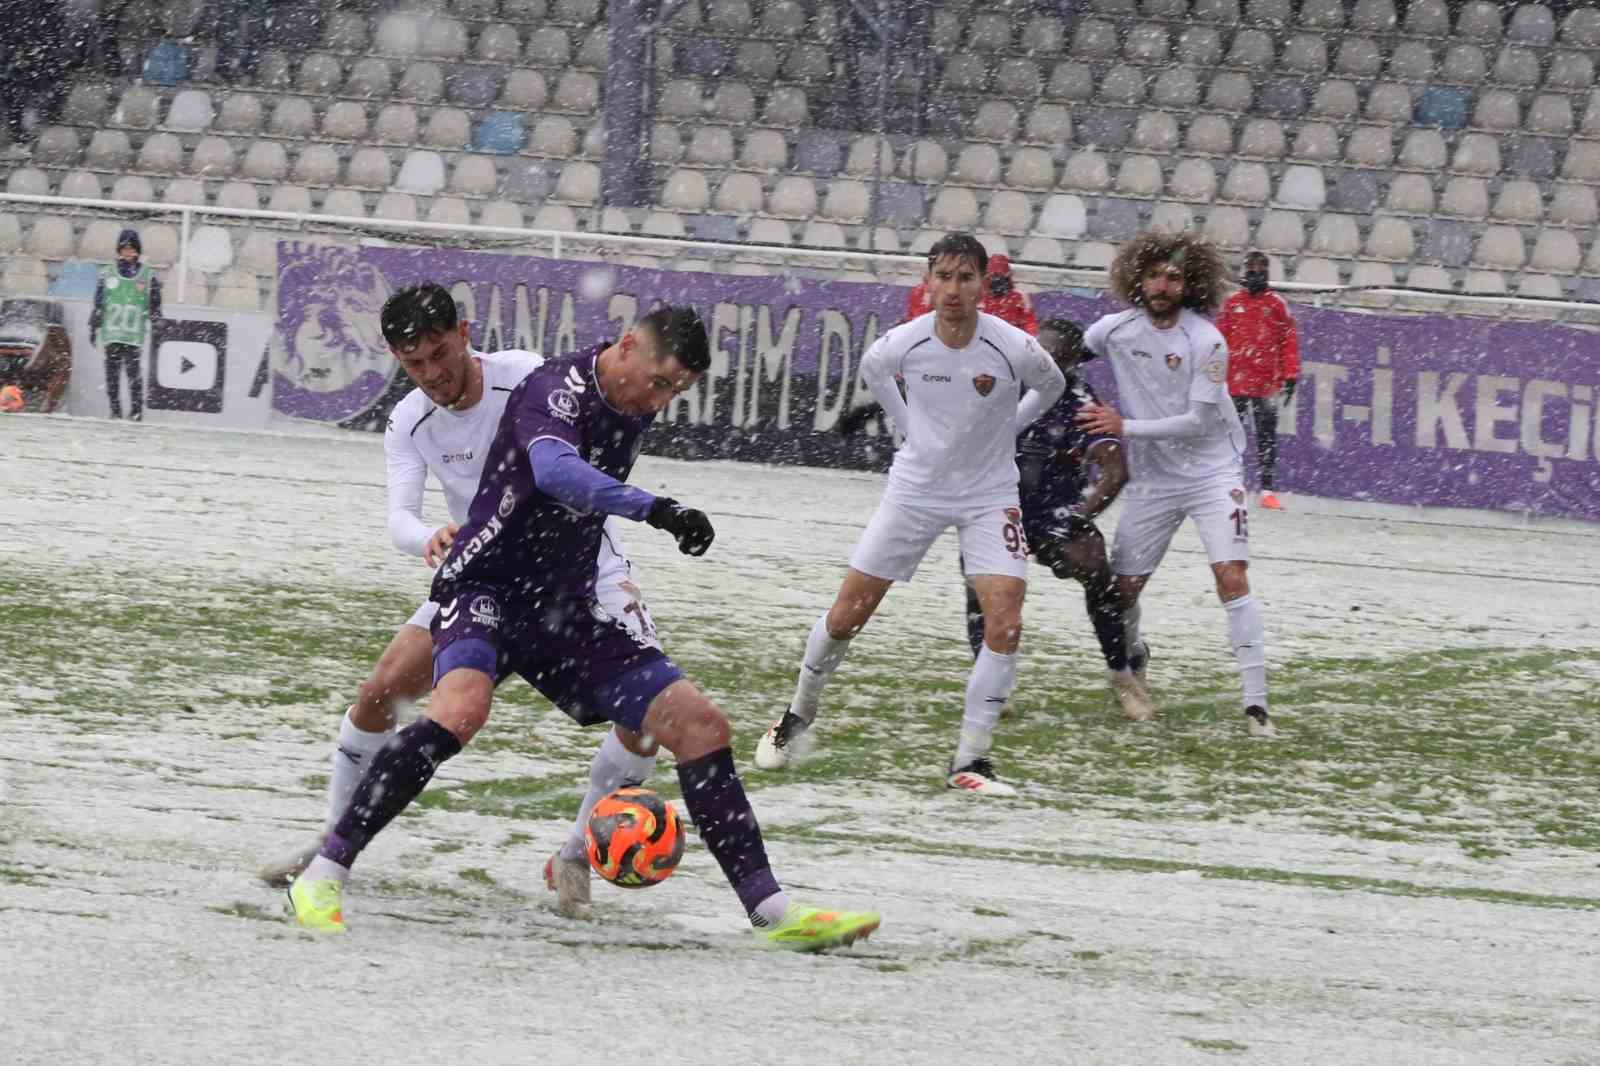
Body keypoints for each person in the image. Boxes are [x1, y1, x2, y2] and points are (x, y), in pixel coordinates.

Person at [286, 305, 881, 952]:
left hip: (564, 604)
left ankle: (773, 914)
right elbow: (555, 472)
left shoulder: (633, 398)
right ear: (627, 347)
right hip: (485, 583)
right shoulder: (556, 386)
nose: (661, 399)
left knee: (701, 725)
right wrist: (656, 508)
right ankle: (323, 873)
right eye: (659, 382)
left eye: (676, 391)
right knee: (458, 708)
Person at [256, 283, 661, 921]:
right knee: (380, 692)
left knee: (649, 720)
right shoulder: (409, 421)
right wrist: (431, 536)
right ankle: (333, 841)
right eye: (414, 364)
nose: (433, 374)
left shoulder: (528, 378)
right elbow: (398, 520)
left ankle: (576, 855)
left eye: (441, 354)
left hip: (587, 574)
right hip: (488, 578)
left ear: (466, 332)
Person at [757, 233, 1066, 795]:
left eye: (965, 277)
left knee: (1006, 620)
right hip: (915, 492)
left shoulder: (1013, 346)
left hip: (989, 494)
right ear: (927, 282)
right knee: (849, 615)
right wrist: (909, 429)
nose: (953, 289)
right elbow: (876, 375)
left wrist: (1010, 428)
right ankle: (798, 712)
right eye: (943, 276)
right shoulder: (900, 344)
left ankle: (971, 761)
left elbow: (1053, 385)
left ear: (982, 284)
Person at [1075, 231, 1276, 738]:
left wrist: (1124, 428)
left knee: (1231, 576)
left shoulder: (1206, 340)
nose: (1163, 285)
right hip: (1155, 479)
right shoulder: (1113, 331)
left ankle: (1256, 706)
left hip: (1212, 471)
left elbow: (1196, 420)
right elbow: (1063, 357)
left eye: (1175, 276)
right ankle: (1134, 655)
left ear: (1192, 286)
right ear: (1136, 279)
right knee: (1122, 592)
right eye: (1155, 275)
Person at [961, 318, 1152, 722]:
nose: (1040, 360)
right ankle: (991, 678)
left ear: (1069, 362)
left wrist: (1078, 516)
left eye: (1052, 355)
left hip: (1055, 512)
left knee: (1097, 568)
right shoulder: (1001, 384)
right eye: (1037, 350)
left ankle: (1122, 674)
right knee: (977, 579)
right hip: (1000, 505)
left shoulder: (1081, 402)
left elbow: (1115, 472)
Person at [1217, 251, 1300, 511]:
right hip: (1235, 383)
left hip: (1266, 385)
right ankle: (1227, 485)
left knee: (1266, 438)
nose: (1255, 273)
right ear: (1244, 271)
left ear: (1267, 272)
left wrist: (1290, 374)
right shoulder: (1232, 303)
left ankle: (1266, 491)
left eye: (1260, 269)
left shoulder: (1276, 304)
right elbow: (1218, 341)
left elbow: (1288, 341)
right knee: (1230, 436)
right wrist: (1215, 375)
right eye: (1251, 268)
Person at [88, 229, 160, 422]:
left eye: (131, 248)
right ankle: (115, 410)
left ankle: (136, 411)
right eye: (124, 248)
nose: (128, 252)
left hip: (132, 334)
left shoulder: (147, 275)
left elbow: (154, 303)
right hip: (112, 332)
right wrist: (94, 325)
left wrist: (156, 323)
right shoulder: (107, 273)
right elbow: (99, 302)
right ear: (119, 250)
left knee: (133, 375)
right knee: (111, 376)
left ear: (137, 250)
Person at [904, 252, 1038, 335]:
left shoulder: (1019, 297)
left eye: (1000, 276)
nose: (997, 280)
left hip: (1006, 342)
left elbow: (1029, 324)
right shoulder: (977, 294)